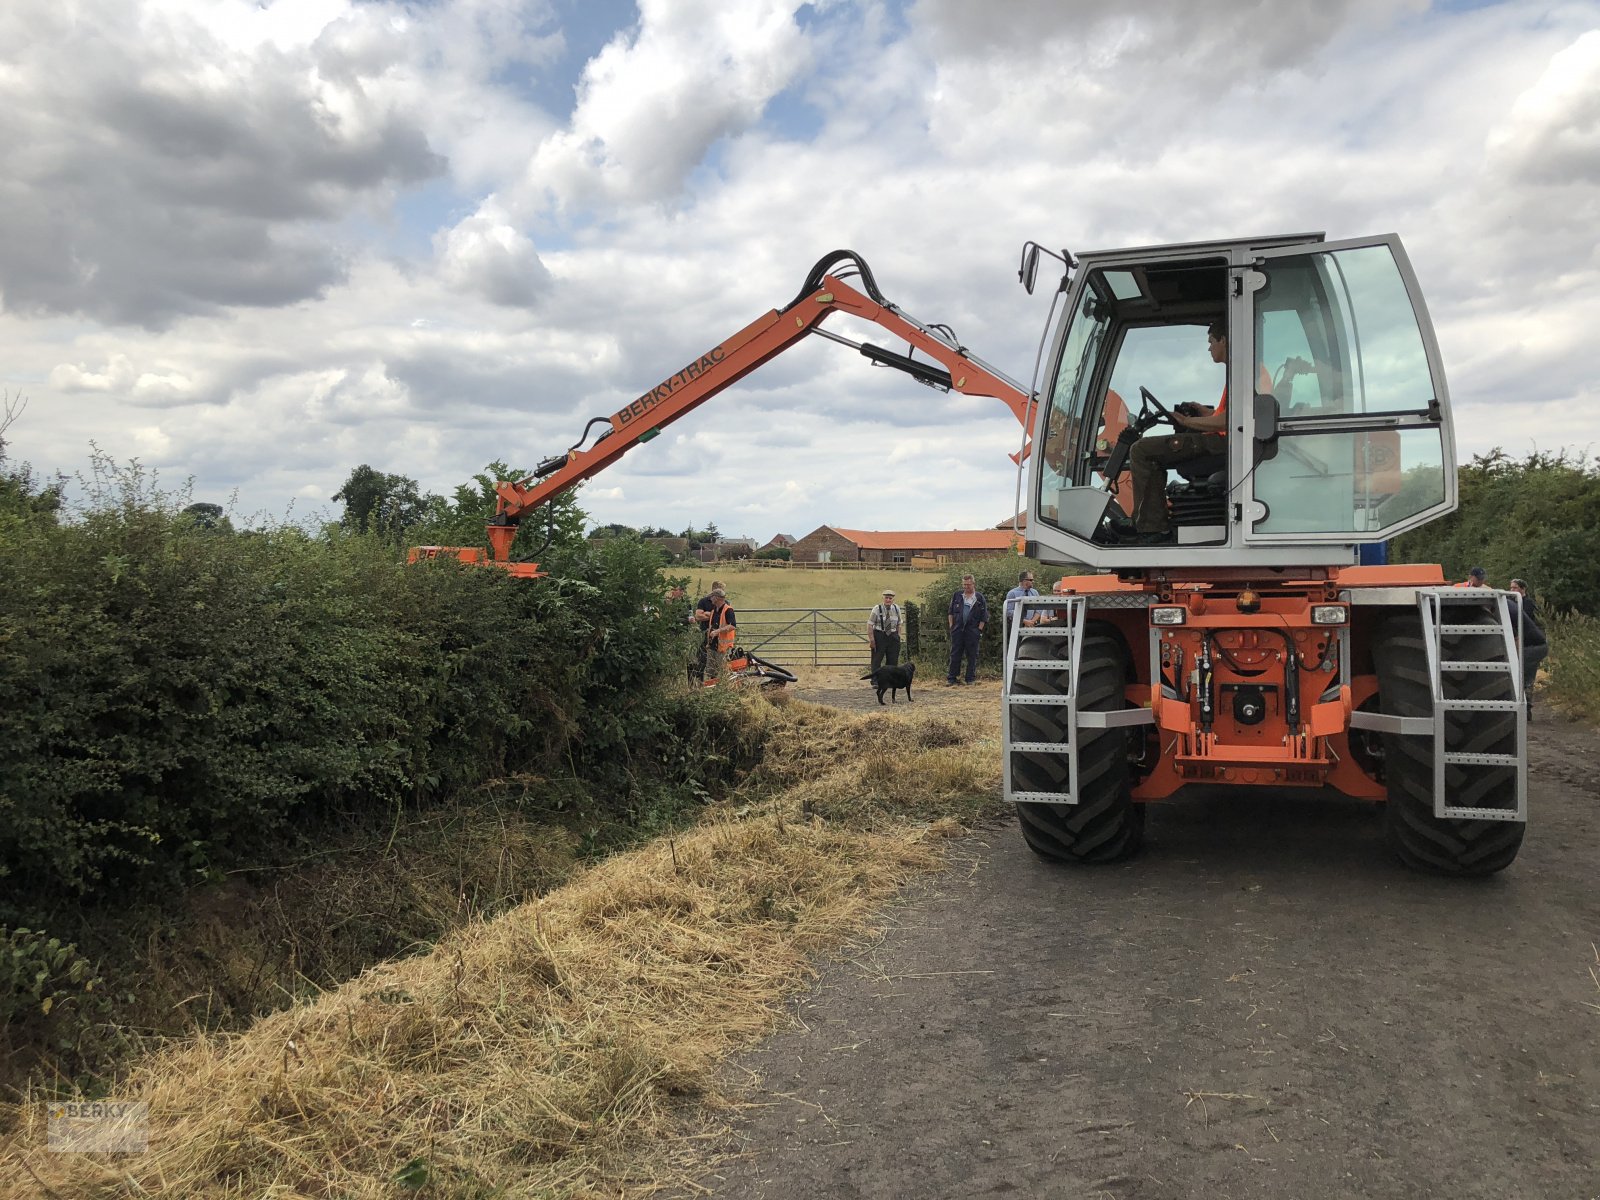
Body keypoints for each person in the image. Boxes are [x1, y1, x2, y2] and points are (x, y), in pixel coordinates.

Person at [1128, 321, 1229, 542]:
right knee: (1153, 454)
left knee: (1141, 450)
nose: (1209, 348)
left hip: (1222, 445)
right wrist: (1203, 412)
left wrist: (1189, 421)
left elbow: (1230, 422)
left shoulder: (1246, 372)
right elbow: (1226, 416)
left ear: (1224, 340)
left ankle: (1151, 528)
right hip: (1222, 441)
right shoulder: (1240, 372)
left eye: (1211, 341)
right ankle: (1155, 524)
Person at [1508, 578, 1548, 719]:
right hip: (1531, 644)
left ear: (1523, 589)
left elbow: (1520, 631)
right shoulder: (1514, 604)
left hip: (1531, 645)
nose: (1512, 590)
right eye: (1511, 588)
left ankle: (1525, 710)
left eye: (1514, 588)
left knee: (1524, 677)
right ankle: (1524, 708)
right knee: (1524, 676)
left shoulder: (1527, 605)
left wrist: (1516, 652)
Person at [946, 573, 988, 685]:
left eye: (968, 585)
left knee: (972, 655)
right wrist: (952, 626)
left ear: (973, 584)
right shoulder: (957, 595)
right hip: (957, 630)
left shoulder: (979, 598)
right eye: (964, 585)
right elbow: (950, 612)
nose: (966, 587)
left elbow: (984, 617)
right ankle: (952, 678)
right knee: (955, 654)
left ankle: (970, 679)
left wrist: (978, 631)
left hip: (972, 631)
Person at [690, 580, 727, 683]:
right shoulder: (703, 601)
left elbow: (725, 618)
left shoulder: (725, 603)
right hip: (704, 634)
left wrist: (707, 614)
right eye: (722, 590)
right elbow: (698, 616)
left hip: (719, 636)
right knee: (702, 658)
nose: (724, 593)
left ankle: (714, 682)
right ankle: (700, 681)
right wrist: (713, 615)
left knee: (717, 661)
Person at [701, 587, 737, 686]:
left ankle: (725, 689)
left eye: (712, 597)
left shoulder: (728, 610)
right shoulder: (714, 610)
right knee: (711, 672)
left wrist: (718, 631)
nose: (710, 599)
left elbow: (732, 625)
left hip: (723, 648)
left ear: (717, 598)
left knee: (723, 671)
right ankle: (712, 690)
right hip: (712, 646)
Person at [868, 588, 903, 675]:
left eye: (890, 598)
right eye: (886, 598)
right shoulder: (877, 608)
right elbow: (869, 624)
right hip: (880, 635)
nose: (888, 600)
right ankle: (875, 680)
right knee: (877, 659)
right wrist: (872, 640)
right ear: (883, 598)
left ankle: (890, 680)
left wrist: (898, 636)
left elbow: (899, 623)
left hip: (893, 635)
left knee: (893, 659)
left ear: (893, 600)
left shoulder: (896, 608)